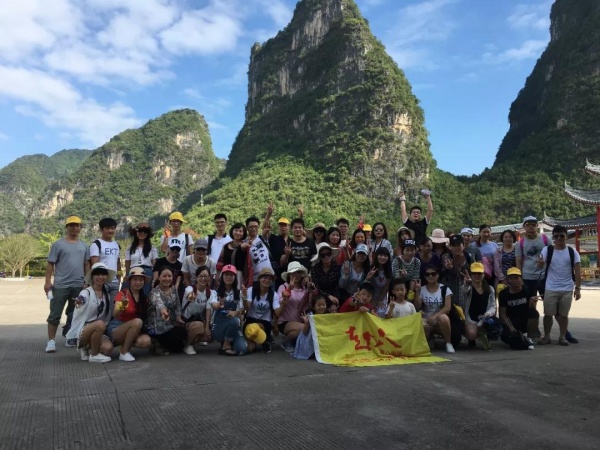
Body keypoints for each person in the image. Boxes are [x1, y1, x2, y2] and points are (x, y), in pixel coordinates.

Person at [44, 216, 90, 353]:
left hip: (78, 285)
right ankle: (51, 341)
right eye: (71, 225)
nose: (74, 228)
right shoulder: (58, 244)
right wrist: (47, 282)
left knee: (74, 313)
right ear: (67, 227)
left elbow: (87, 264)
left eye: (77, 225)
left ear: (80, 228)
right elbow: (50, 264)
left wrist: (86, 282)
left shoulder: (84, 246)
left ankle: (70, 337)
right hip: (60, 285)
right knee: (55, 314)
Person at [537, 225, 582, 346]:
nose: (559, 238)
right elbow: (540, 264)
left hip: (567, 287)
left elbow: (578, 272)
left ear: (566, 236)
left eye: (562, 235)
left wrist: (578, 288)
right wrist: (540, 263)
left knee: (564, 315)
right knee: (548, 314)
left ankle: (562, 337)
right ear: (553, 237)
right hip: (550, 287)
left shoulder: (573, 252)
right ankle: (547, 336)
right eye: (556, 236)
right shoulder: (547, 250)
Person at [66, 263, 115, 363]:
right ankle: (94, 354)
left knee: (108, 348)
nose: (100, 277)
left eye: (103, 274)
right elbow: (81, 299)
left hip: (98, 329)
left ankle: (87, 347)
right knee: (100, 324)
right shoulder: (86, 292)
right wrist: (79, 301)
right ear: (92, 276)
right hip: (84, 329)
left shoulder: (107, 295)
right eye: (97, 274)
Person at [107, 267, 152, 361]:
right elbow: (115, 315)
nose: (138, 282)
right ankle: (124, 352)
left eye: (141, 280)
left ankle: (125, 344)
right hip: (117, 327)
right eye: (135, 279)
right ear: (130, 281)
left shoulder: (144, 297)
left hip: (134, 328)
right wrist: (123, 305)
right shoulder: (123, 294)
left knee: (146, 341)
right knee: (138, 322)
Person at [515, 216, 549, 340]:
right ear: (524, 227)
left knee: (549, 304)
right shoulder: (520, 243)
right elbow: (518, 261)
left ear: (537, 226)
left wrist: (545, 262)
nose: (531, 227)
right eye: (528, 225)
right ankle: (534, 329)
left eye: (533, 224)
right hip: (528, 277)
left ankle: (553, 331)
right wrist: (520, 277)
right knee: (531, 304)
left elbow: (552, 254)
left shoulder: (545, 239)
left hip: (544, 276)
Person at [415, 264, 455, 353]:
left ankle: (448, 343)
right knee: (420, 322)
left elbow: (447, 307)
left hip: (439, 319)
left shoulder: (444, 289)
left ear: (438, 275)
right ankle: (429, 339)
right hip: (426, 319)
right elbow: (417, 306)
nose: (430, 276)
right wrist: (417, 292)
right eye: (427, 274)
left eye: (433, 274)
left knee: (444, 318)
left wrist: (435, 316)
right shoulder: (422, 289)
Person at [146, 267, 187, 354]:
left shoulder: (174, 289)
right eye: (164, 276)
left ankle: (163, 345)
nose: (167, 279)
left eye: (169, 276)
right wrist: (164, 312)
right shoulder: (154, 292)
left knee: (181, 337)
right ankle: (156, 342)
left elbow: (178, 305)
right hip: (157, 327)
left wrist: (178, 317)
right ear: (159, 277)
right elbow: (159, 304)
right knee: (177, 340)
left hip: (171, 325)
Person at [210, 265, 246, 356]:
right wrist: (218, 305)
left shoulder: (239, 293)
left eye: (231, 275)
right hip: (218, 326)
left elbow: (244, 311)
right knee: (234, 320)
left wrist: (236, 312)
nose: (229, 277)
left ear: (235, 277)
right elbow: (213, 305)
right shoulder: (215, 292)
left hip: (235, 326)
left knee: (242, 350)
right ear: (222, 276)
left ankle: (230, 341)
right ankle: (226, 345)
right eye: (226, 275)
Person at [498, 267, 537, 350]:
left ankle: (529, 336)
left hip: (524, 319)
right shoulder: (503, 293)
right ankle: (520, 339)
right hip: (512, 321)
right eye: (511, 278)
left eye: (516, 277)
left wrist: (532, 303)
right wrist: (510, 327)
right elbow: (502, 314)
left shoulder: (527, 289)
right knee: (507, 338)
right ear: (508, 280)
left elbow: (531, 310)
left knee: (534, 313)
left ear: (521, 279)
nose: (514, 280)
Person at [278, 262, 313, 352]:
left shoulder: (304, 288)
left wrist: (310, 292)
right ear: (289, 275)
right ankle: (287, 341)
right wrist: (289, 289)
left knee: (303, 329)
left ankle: (289, 339)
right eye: (293, 273)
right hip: (285, 321)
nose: (296, 275)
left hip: (299, 320)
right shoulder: (283, 287)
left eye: (298, 272)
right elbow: (280, 303)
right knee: (307, 328)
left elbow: (309, 305)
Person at [245, 267, 281, 354]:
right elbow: (247, 308)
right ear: (259, 279)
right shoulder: (251, 290)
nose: (267, 280)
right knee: (250, 349)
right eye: (265, 277)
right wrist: (244, 298)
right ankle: (263, 340)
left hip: (265, 323)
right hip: (250, 320)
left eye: (270, 279)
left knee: (256, 327)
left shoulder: (274, 294)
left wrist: (284, 302)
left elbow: (277, 312)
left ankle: (264, 340)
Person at [461, 263, 496, 351]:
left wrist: (488, 314)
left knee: (495, 325)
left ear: (483, 274)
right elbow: (464, 290)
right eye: (474, 273)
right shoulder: (469, 288)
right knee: (471, 334)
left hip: (485, 318)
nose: (477, 275)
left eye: (479, 273)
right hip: (470, 319)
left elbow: (493, 306)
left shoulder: (490, 289)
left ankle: (484, 334)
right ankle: (471, 335)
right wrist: (467, 284)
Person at [181, 266, 215, 354]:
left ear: (209, 278)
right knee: (198, 327)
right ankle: (187, 345)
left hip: (199, 319)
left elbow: (208, 309)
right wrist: (191, 297)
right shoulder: (190, 289)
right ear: (196, 277)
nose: (203, 279)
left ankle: (196, 340)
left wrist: (207, 328)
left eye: (206, 276)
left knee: (210, 335)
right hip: (185, 321)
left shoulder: (210, 292)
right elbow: (189, 294)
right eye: (201, 276)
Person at [89, 217, 122, 303]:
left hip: (114, 282)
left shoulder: (116, 244)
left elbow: (118, 263)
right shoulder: (96, 244)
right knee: (101, 306)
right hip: (102, 282)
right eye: (107, 228)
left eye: (112, 228)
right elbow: (95, 265)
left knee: (113, 307)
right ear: (101, 230)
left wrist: (119, 278)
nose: (110, 231)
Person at [124, 222, 157, 295]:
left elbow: (155, 265)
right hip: (133, 272)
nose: (142, 233)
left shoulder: (152, 248)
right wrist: (127, 275)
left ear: (148, 234)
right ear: (136, 232)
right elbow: (127, 263)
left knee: (145, 295)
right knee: (129, 294)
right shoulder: (130, 248)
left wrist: (155, 279)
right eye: (140, 231)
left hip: (147, 272)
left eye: (145, 231)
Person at [292, 294, 328, 360]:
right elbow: (305, 332)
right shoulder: (311, 317)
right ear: (314, 307)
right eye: (319, 305)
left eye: (323, 305)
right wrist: (307, 323)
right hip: (310, 341)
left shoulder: (327, 316)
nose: (322, 307)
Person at [243, 216, 273, 286]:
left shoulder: (262, 238)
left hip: (269, 275)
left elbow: (265, 228)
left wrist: (268, 214)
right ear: (247, 227)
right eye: (251, 227)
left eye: (256, 226)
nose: (254, 229)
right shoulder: (244, 242)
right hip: (255, 278)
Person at [310, 242, 341, 312]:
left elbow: (338, 285)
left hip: (336, 299)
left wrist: (334, 303)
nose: (326, 257)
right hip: (320, 301)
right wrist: (328, 296)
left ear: (331, 254)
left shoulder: (337, 267)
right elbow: (316, 287)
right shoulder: (315, 269)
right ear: (319, 257)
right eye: (323, 255)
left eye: (328, 254)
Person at [217, 223, 247, 288]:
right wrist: (217, 276)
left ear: (243, 233)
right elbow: (220, 262)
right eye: (236, 230)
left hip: (238, 275)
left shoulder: (245, 246)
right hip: (225, 274)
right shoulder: (225, 246)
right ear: (232, 231)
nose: (238, 233)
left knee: (237, 292)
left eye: (240, 231)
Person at [369, 247, 393, 317]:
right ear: (376, 256)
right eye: (381, 255)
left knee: (381, 312)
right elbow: (369, 285)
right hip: (371, 295)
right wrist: (373, 300)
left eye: (385, 255)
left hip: (382, 296)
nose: (383, 257)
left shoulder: (389, 270)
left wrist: (380, 299)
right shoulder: (371, 268)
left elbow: (386, 286)